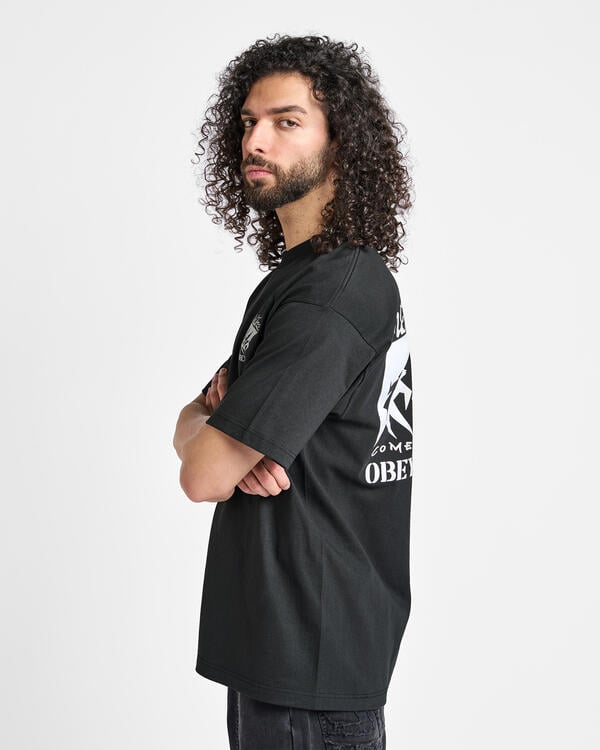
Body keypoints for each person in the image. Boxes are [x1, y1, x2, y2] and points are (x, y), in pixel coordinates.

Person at [173, 34, 414, 749]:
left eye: (286, 122)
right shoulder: (302, 279)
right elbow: (202, 420)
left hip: (310, 670)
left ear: (341, 142)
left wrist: (211, 434)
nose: (256, 141)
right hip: (286, 655)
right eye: (249, 122)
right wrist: (206, 424)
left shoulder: (333, 294)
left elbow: (203, 474)